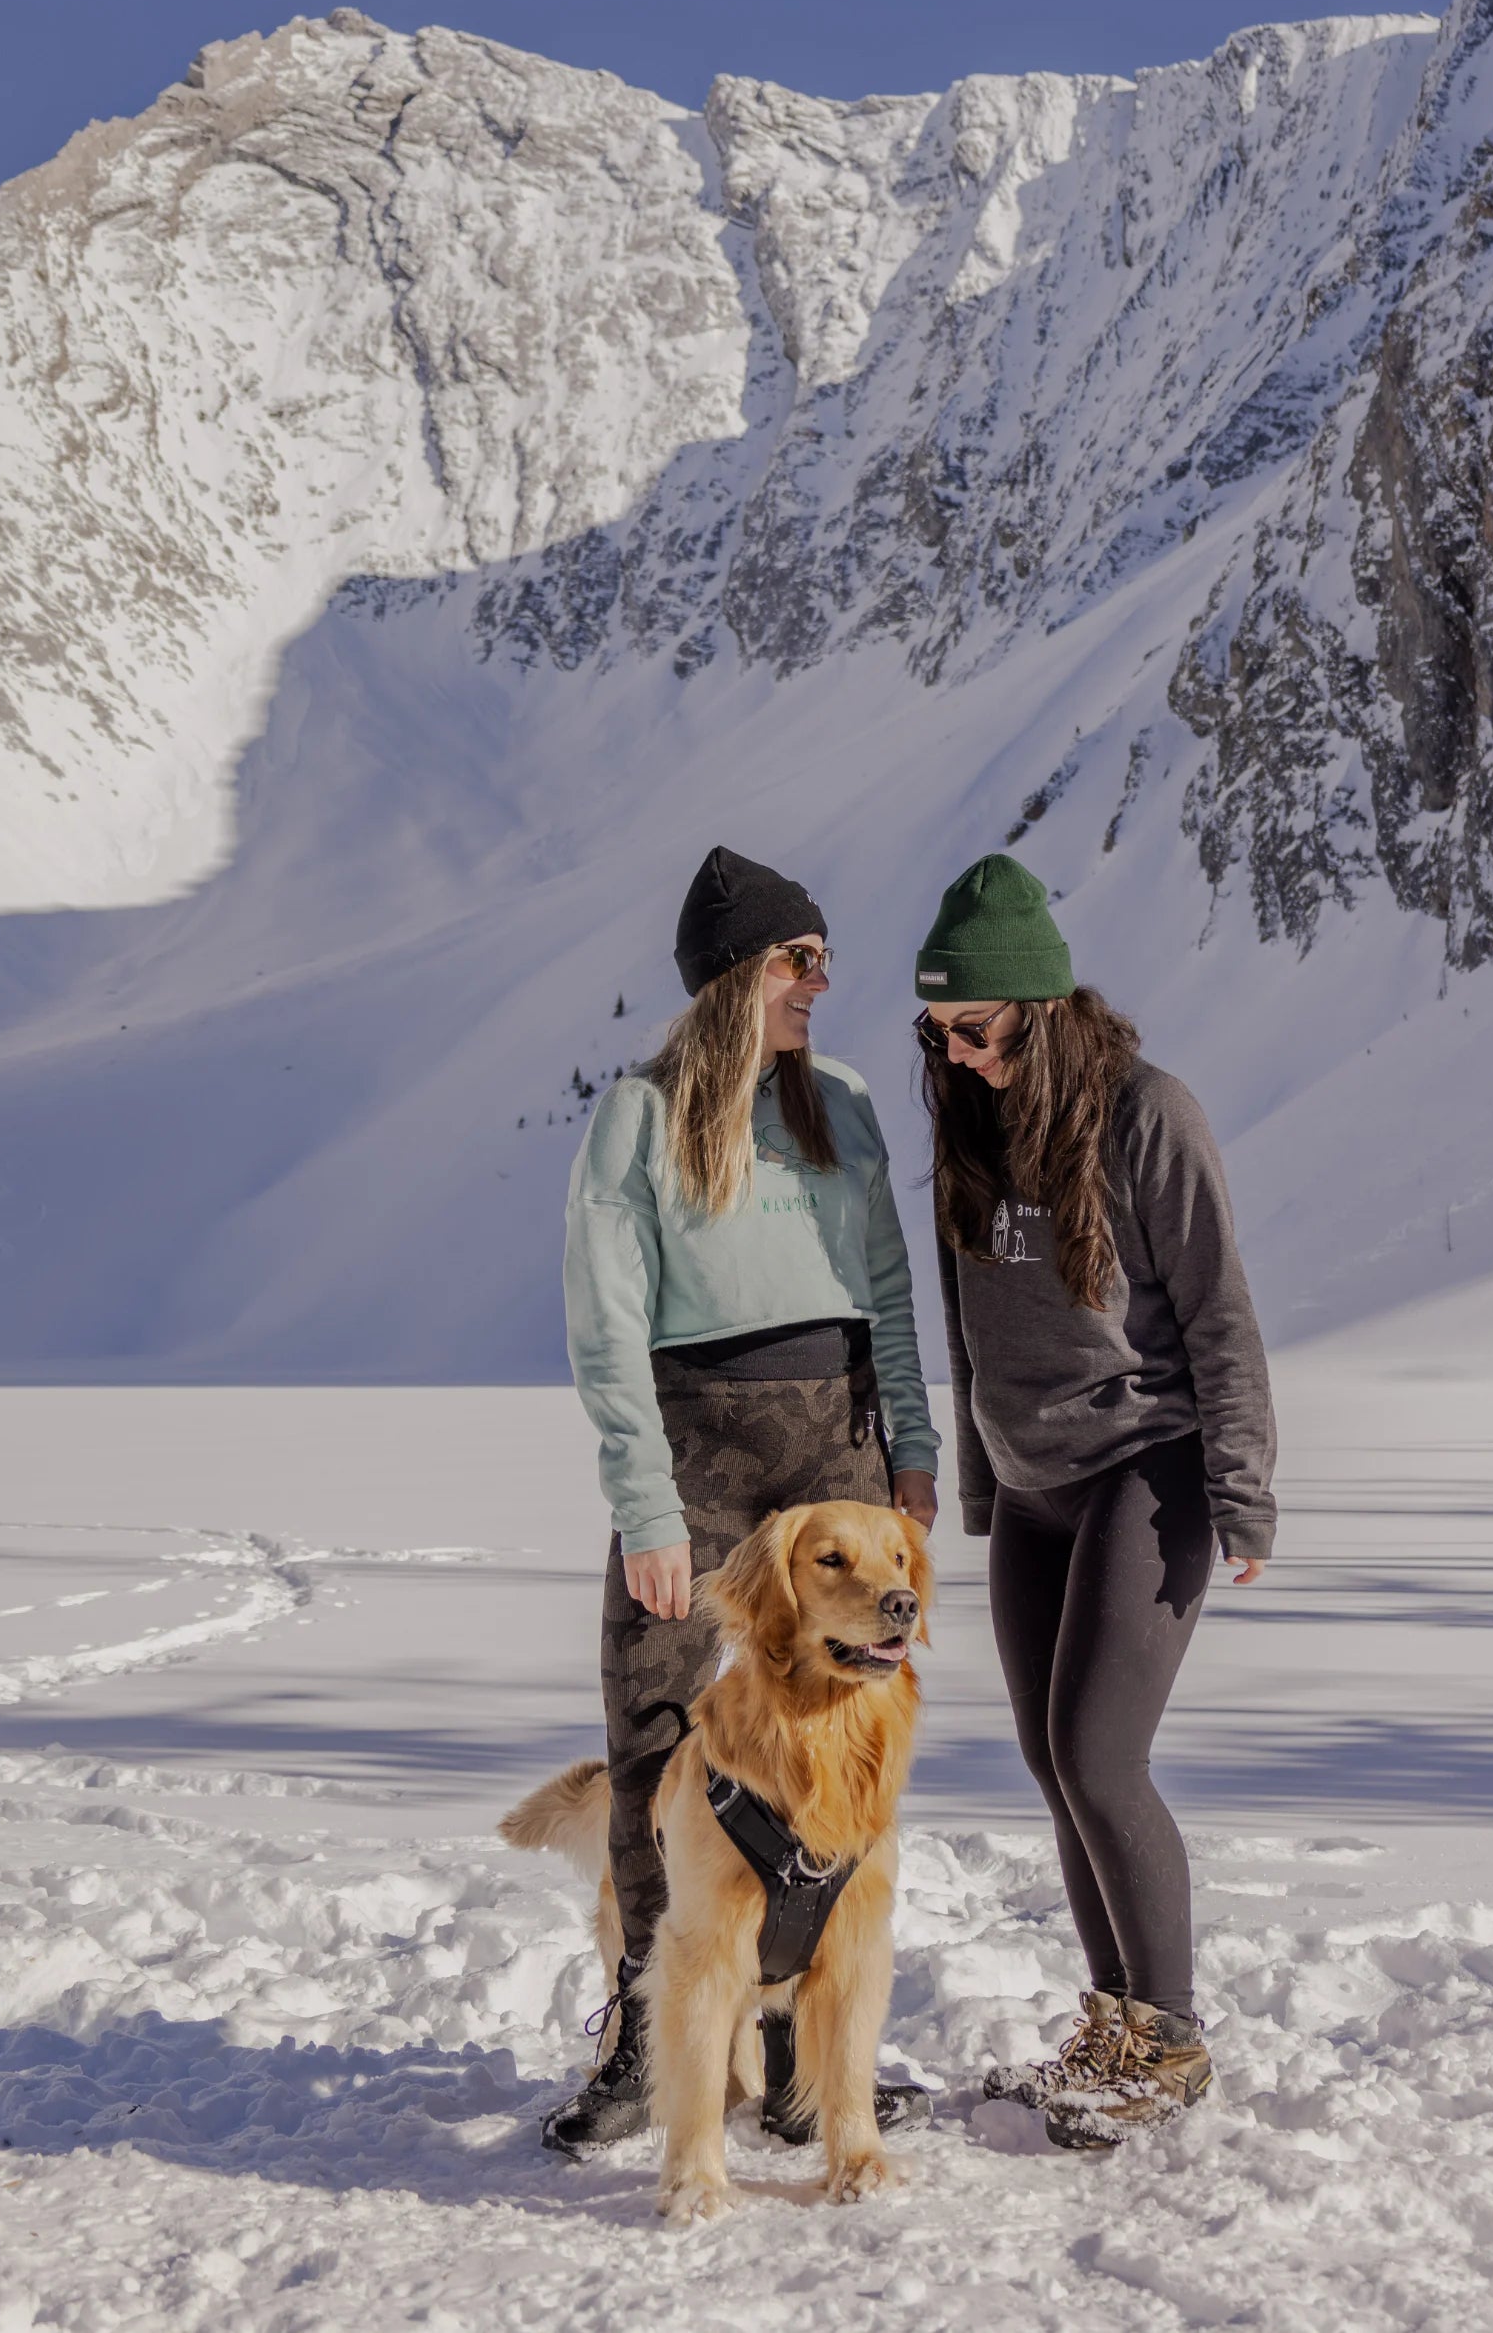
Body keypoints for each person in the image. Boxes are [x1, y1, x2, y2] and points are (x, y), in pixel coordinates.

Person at [546, 844, 941, 2157]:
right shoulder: (638, 1117)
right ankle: (639, 2034)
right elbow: (605, 1326)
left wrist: (911, 1452)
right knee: (655, 1727)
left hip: (834, 1432)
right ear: (733, 976)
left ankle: (796, 2050)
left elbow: (886, 1293)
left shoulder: (838, 1101)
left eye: (824, 959)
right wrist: (646, 1508)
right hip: (696, 1445)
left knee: (840, 1725)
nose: (822, 983)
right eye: (798, 960)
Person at [914, 852, 1276, 2150]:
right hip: (1029, 1491)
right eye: (936, 1030)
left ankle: (1166, 2043)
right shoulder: (967, 1119)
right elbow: (970, 1325)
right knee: (1049, 1764)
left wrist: (1240, 1490)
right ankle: (1117, 2024)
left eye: (975, 1028)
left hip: (1147, 1468)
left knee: (1096, 1756)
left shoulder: (1144, 1112)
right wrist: (973, 1482)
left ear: (1043, 1010)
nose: (952, 1053)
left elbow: (1216, 1307)